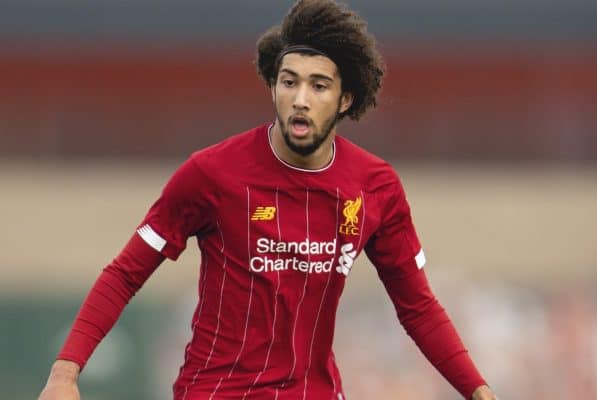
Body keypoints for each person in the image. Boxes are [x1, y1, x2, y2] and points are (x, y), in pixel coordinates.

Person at [38, 1, 498, 399]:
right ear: (271, 86)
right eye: (288, 81)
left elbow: (418, 307)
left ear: (345, 99)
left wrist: (478, 390)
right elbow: (125, 274)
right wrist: (65, 372)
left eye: (318, 86)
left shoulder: (376, 186)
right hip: (217, 392)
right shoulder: (211, 174)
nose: (300, 99)